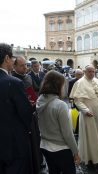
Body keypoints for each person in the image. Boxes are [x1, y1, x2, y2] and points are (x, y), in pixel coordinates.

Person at [36, 70, 80, 174]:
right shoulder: (60, 105)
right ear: (58, 85)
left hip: (44, 146)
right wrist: (76, 152)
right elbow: (67, 133)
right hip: (61, 149)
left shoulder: (40, 99)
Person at [0, 43, 33, 174]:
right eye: (12, 58)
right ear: (7, 58)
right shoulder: (14, 82)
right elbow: (25, 114)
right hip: (12, 143)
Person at [70, 65, 98, 168]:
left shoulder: (97, 80)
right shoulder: (79, 83)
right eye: (89, 71)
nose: (92, 73)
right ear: (85, 71)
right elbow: (77, 100)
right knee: (92, 135)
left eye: (93, 71)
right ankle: (93, 158)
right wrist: (85, 110)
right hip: (89, 113)